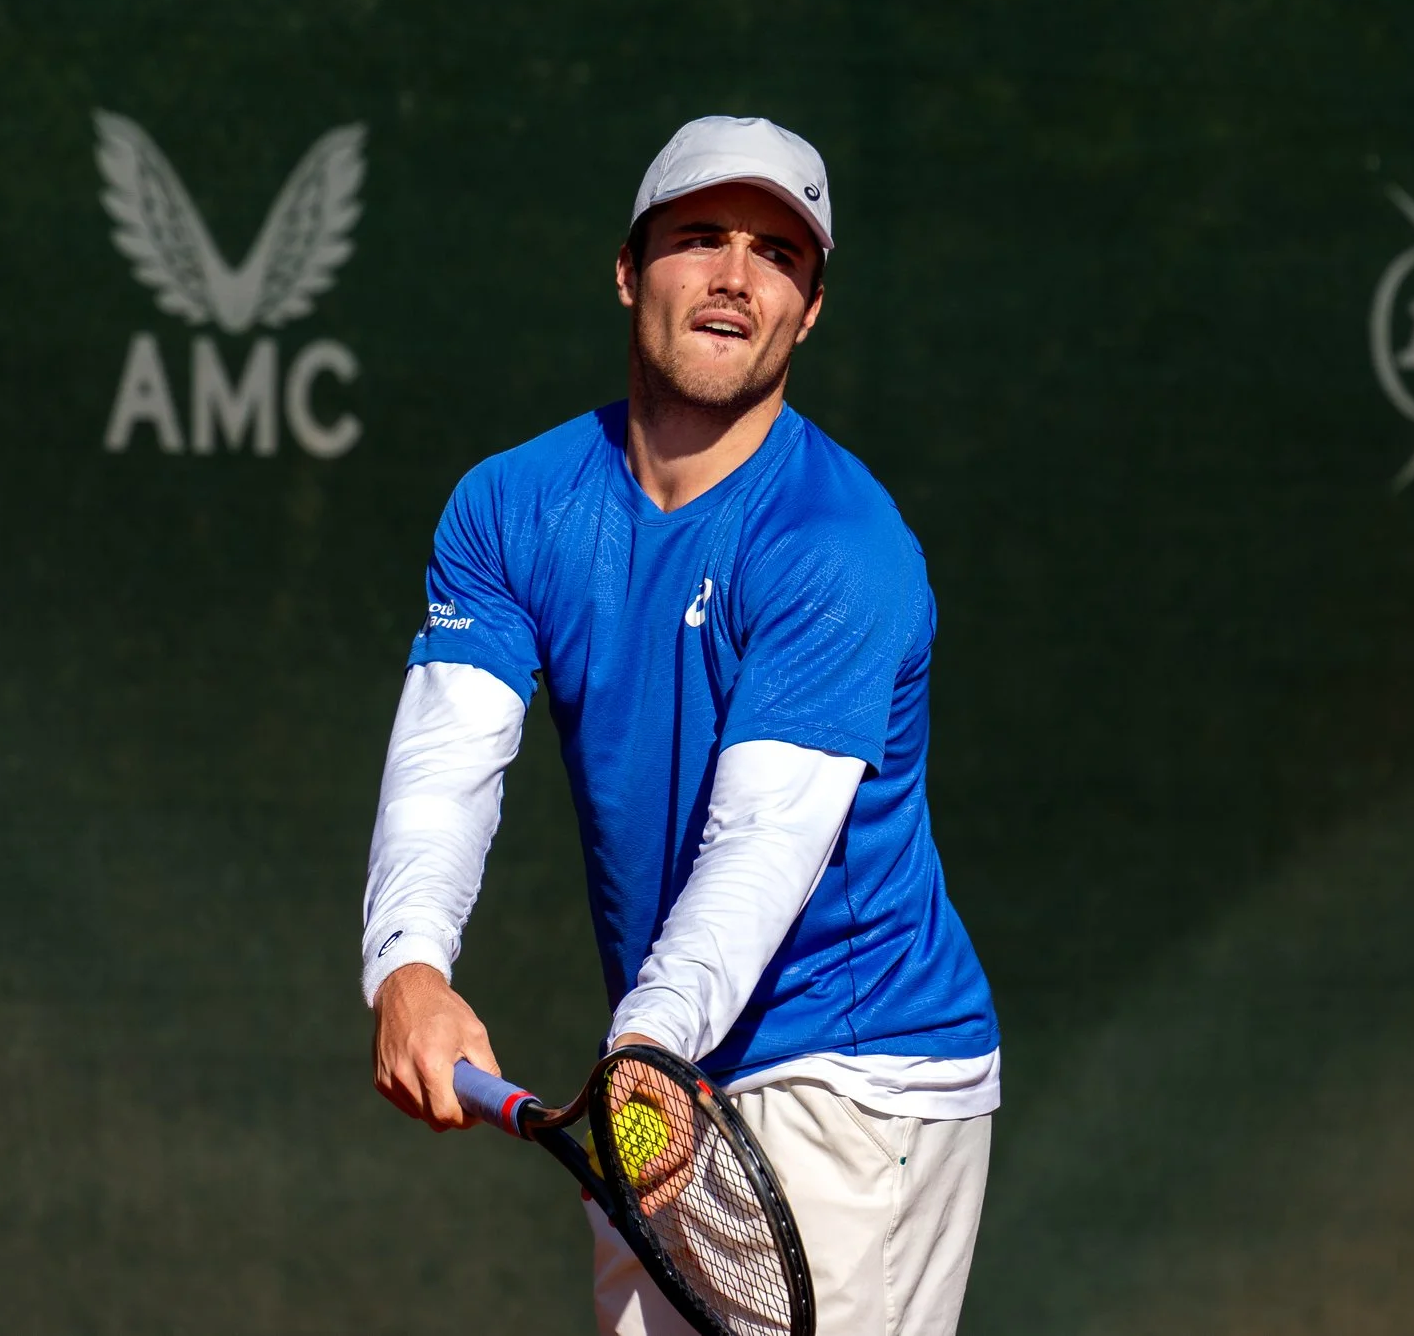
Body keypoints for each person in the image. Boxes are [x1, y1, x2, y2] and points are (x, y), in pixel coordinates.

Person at [360, 115, 999, 1336]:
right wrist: (409, 967)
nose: (733, 276)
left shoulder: (840, 548)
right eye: (699, 236)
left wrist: (644, 1049)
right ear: (625, 268)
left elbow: (763, 841)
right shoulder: (510, 507)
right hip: (664, 1074)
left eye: (776, 254)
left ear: (808, 309)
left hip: (855, 1072)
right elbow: (448, 759)